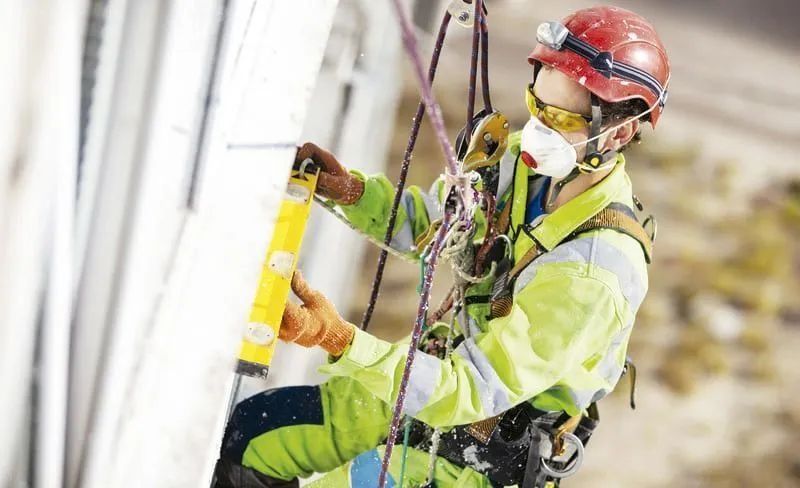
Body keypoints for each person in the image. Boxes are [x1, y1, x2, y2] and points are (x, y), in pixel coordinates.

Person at [213, 5, 670, 487]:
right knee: (255, 437)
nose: (537, 128)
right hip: (434, 381)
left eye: (558, 117)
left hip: (482, 448)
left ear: (619, 132)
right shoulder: (526, 163)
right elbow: (437, 228)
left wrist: (339, 340)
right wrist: (353, 193)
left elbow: (471, 388)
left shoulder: (592, 275)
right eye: (537, 105)